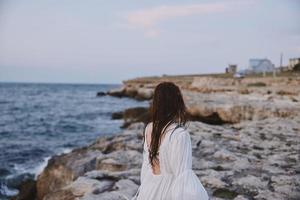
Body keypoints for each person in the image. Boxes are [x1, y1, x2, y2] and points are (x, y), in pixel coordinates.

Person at [132, 82, 209, 200]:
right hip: (168, 192)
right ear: (177, 103)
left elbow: (146, 166)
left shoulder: (149, 128)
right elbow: (183, 176)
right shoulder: (180, 135)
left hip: (149, 188)